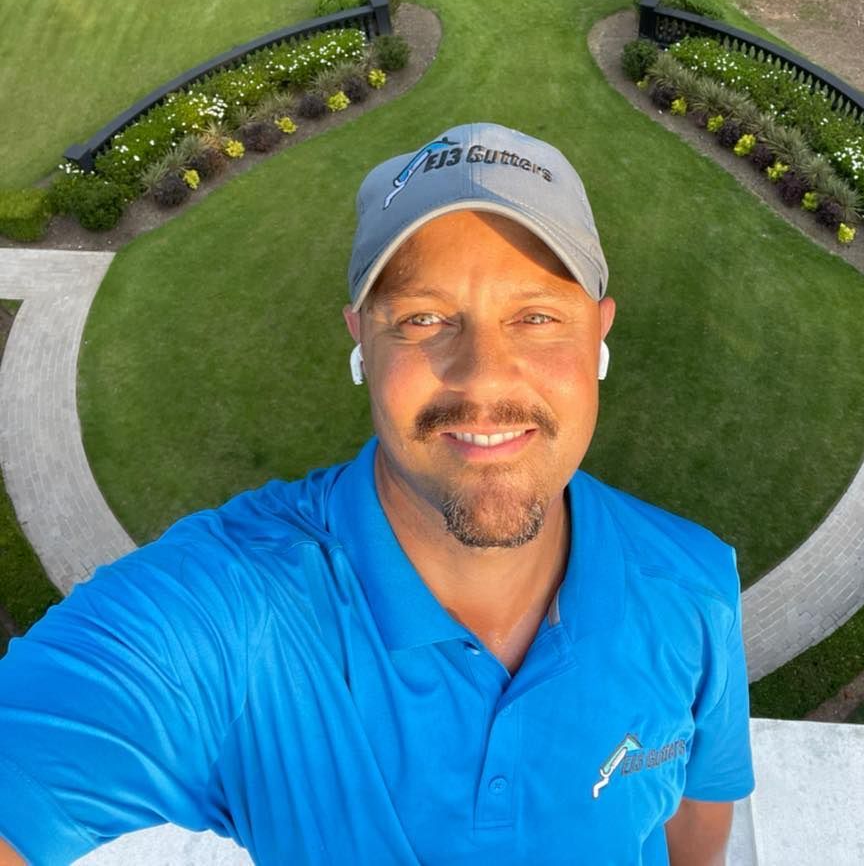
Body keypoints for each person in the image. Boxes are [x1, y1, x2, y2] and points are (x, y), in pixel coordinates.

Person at [0, 122, 753, 865]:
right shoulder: (227, 615)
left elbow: (697, 823)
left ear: (599, 335)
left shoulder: (695, 585)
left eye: (536, 317)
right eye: (424, 318)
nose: (483, 376)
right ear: (362, 338)